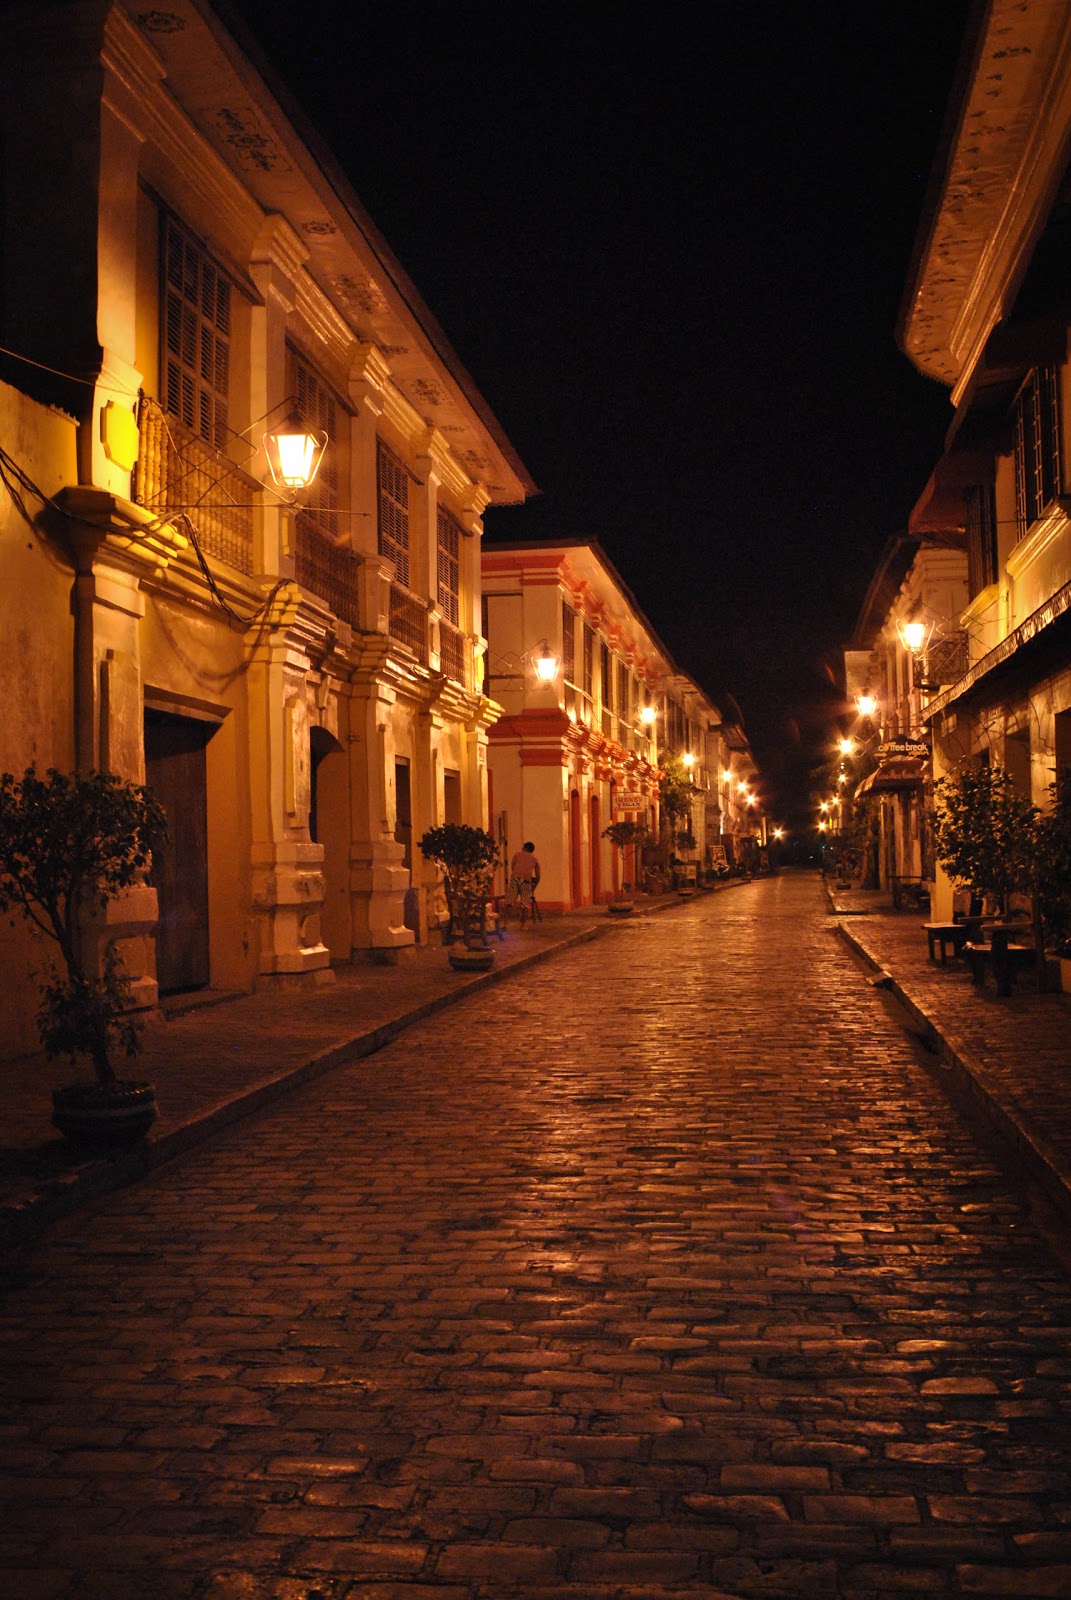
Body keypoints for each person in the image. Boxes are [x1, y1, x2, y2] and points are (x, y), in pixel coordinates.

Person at [506, 840, 540, 924]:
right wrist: (534, 886)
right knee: (524, 904)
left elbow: (513, 866)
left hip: (515, 878)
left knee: (510, 901)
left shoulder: (517, 854)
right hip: (526, 880)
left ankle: (504, 923)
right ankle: (523, 925)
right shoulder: (534, 859)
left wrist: (515, 876)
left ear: (524, 848)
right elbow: (538, 875)